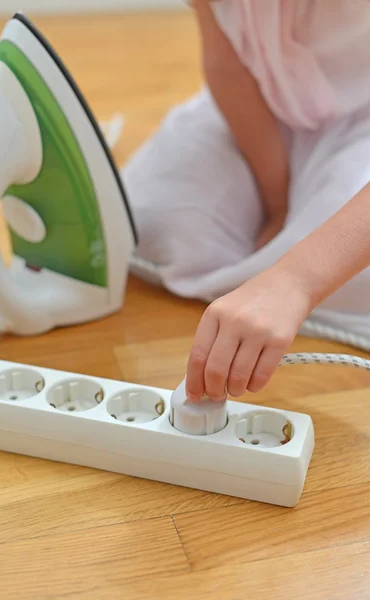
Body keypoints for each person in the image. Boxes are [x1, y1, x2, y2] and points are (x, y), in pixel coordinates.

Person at [122, 0, 370, 401]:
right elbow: (228, 68)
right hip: (270, 105)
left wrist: (295, 281)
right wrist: (277, 202)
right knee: (156, 223)